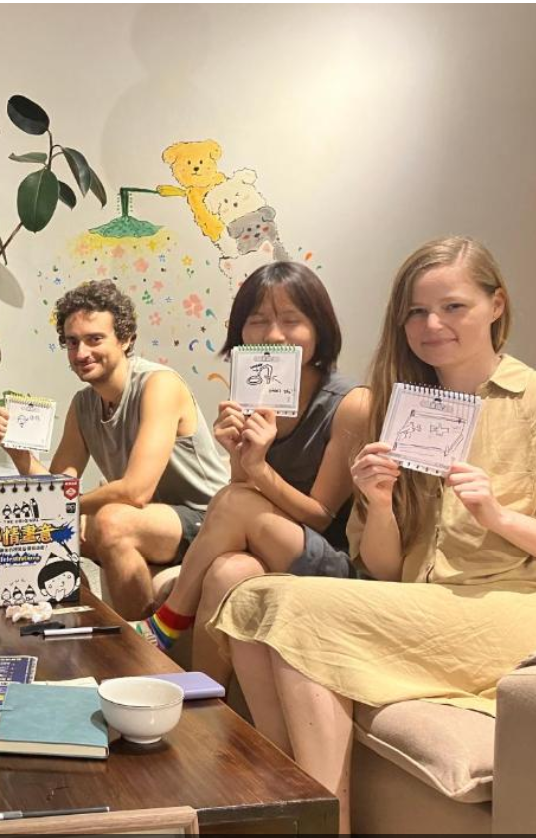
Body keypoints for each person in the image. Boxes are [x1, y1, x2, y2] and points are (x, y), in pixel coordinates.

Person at [209, 237, 536, 833]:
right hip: (422, 601)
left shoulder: (530, 401)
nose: (431, 324)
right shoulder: (400, 412)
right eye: (416, 311)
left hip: (513, 608)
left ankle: (320, 826)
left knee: (297, 610)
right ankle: (296, 811)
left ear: (497, 306)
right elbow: (384, 571)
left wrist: (499, 517)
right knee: (254, 596)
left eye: (453, 307)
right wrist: (381, 505)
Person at [129, 263, 369, 684]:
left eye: (292, 320)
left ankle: (166, 622)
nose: (273, 335)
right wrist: (238, 452)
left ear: (320, 329)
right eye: (258, 321)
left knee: (236, 502)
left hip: (333, 561)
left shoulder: (350, 404)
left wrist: (256, 467)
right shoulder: (253, 390)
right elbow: (240, 491)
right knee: (227, 572)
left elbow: (320, 516)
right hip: (269, 541)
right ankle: (205, 712)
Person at [0, 279, 228, 619]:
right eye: (72, 343)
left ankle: (140, 650)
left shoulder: (159, 385)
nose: (81, 353)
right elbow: (59, 489)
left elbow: (135, 491)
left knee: (110, 522)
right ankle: (80, 628)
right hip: (149, 523)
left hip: (205, 518)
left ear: (126, 338)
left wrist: (73, 507)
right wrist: (20, 456)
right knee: (42, 531)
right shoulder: (83, 404)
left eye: (94, 339)